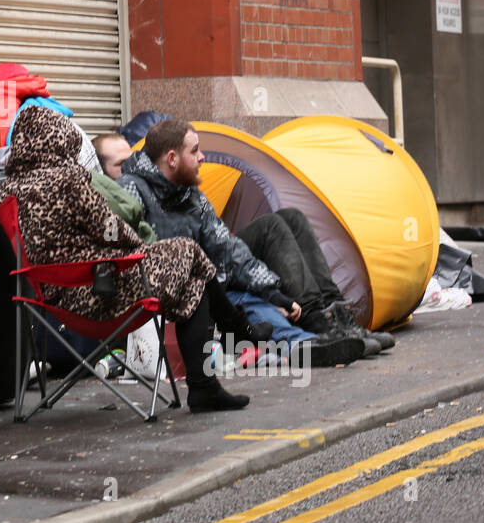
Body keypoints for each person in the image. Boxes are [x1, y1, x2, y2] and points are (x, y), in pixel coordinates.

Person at [0, 105, 249, 412]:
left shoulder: (7, 190)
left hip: (50, 299)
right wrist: (140, 249)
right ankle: (215, 363)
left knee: (190, 274)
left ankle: (216, 363)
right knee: (187, 252)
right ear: (60, 139)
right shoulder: (69, 182)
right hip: (97, 294)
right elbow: (111, 228)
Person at [119, 120, 394, 364]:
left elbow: (224, 245)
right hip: (187, 288)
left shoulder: (190, 194)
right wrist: (264, 293)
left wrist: (273, 292)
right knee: (247, 293)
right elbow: (135, 253)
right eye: (194, 151)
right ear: (171, 159)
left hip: (214, 272)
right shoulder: (132, 189)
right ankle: (305, 335)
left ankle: (331, 315)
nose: (202, 157)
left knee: (291, 218)